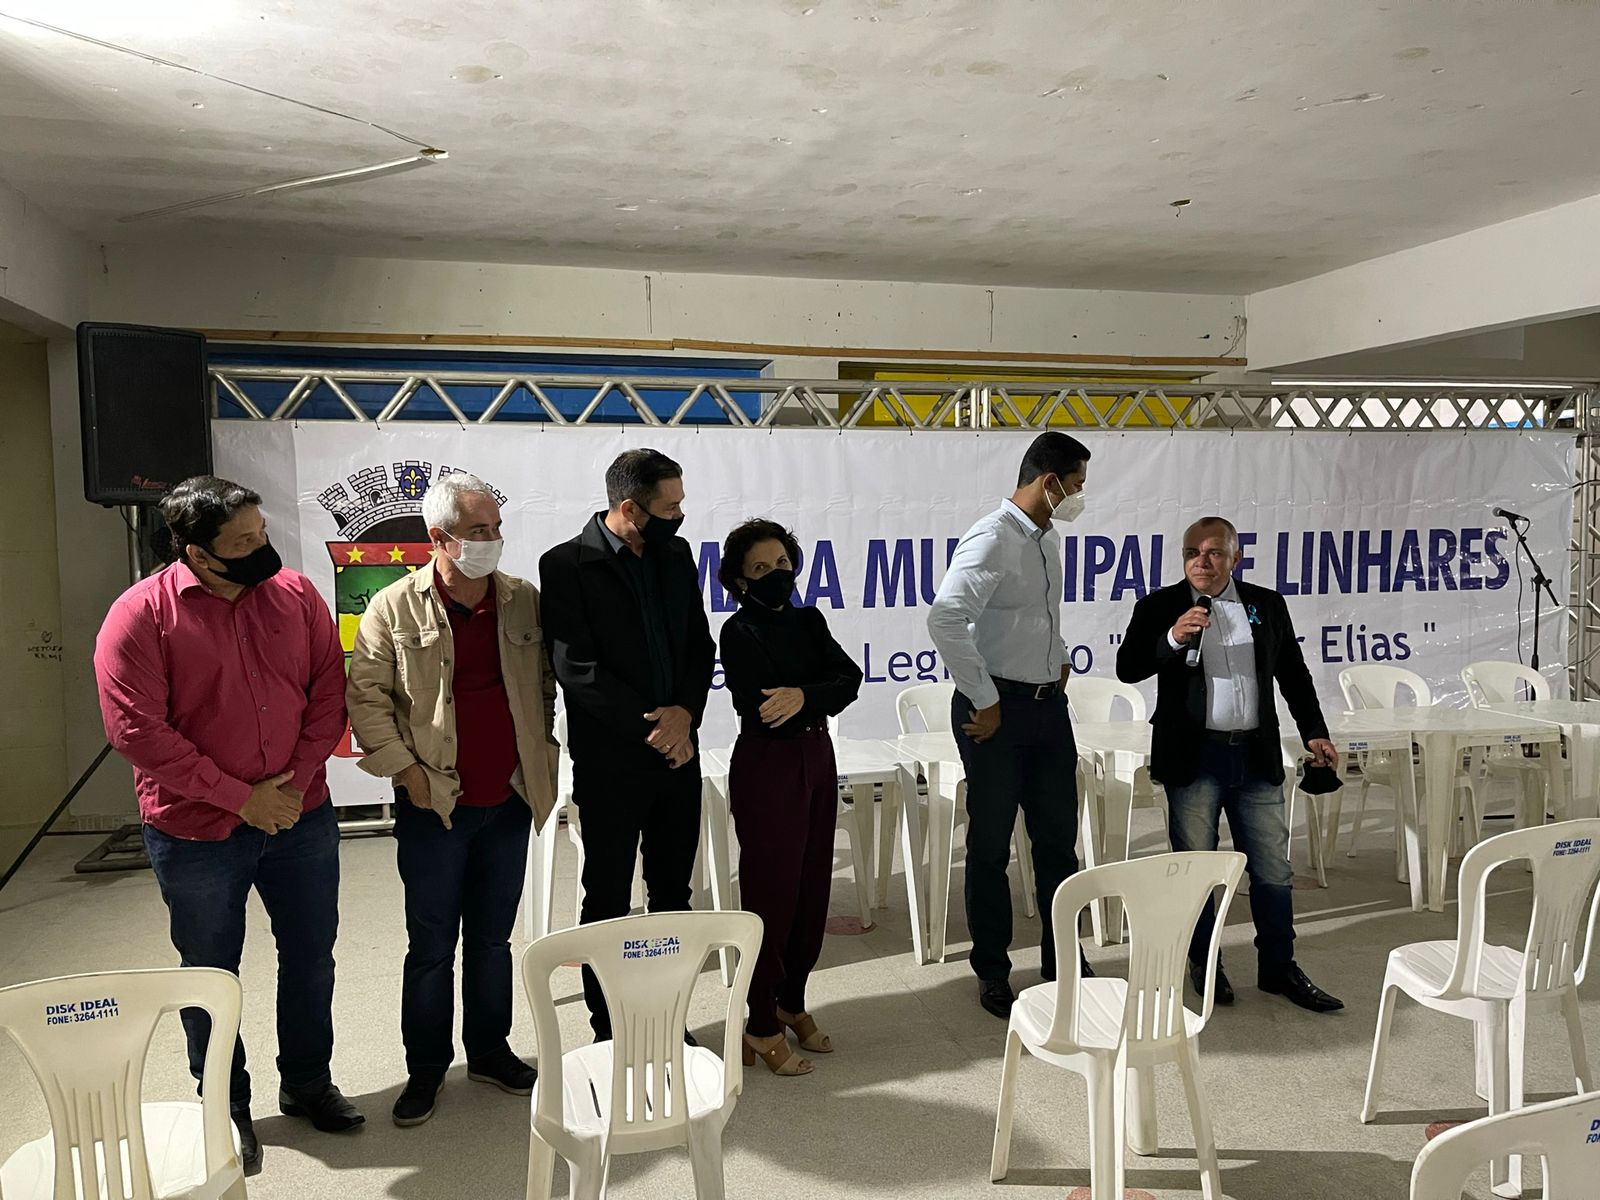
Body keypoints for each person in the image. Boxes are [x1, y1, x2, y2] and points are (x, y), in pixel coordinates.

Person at [93, 475, 359, 1177]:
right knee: (211, 973)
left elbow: (329, 693)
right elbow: (136, 731)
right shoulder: (139, 615)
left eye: (261, 533)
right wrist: (241, 799)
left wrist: (290, 788)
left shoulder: (296, 595)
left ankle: (308, 1083)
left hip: (300, 815)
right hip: (195, 831)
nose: (261, 549)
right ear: (195, 551)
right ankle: (224, 1104)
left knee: (311, 955)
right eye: (242, 543)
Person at [346, 472, 560, 1126]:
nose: (492, 539)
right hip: (432, 806)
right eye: (477, 530)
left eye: (496, 528)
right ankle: (426, 1068)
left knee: (493, 941)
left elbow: (543, 683)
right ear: (438, 538)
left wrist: (542, 749)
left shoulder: (523, 600)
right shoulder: (391, 608)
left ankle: (490, 1051)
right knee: (432, 945)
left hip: (509, 801)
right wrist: (407, 773)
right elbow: (366, 700)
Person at [1116, 515, 1344, 1013]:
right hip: (1192, 759)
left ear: (1236, 558)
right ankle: (1205, 963)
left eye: (1214, 552)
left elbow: (1293, 674)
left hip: (1255, 755)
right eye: (1192, 553)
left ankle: (1279, 966)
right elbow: (1128, 666)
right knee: (1196, 870)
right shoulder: (1159, 606)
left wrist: (1315, 731)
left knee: (1273, 868)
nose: (1202, 561)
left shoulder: (1267, 604)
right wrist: (1172, 638)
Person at [539, 448, 715, 1039]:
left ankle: (667, 1020)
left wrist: (685, 715)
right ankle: (609, 1028)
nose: (680, 515)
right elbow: (577, 668)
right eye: (670, 506)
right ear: (630, 508)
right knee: (608, 898)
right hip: (612, 762)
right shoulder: (567, 564)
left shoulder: (677, 555)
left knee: (673, 895)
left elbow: (699, 645)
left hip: (679, 755)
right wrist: (656, 729)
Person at [927, 431, 1092, 1019]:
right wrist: (984, 696)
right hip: (995, 711)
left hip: (1047, 707)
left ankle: (1062, 957)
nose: (1079, 497)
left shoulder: (1047, 539)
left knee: (1058, 843)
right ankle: (993, 970)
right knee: (991, 846)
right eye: (1075, 486)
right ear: (1048, 483)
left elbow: (1035, 618)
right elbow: (946, 619)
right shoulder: (994, 536)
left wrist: (1058, 657)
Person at [717, 519, 863, 1076]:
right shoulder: (738, 632)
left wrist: (805, 695)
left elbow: (848, 679)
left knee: (812, 891)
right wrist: (816, 693)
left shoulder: (810, 620)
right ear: (740, 581)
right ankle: (759, 1023)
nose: (776, 574)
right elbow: (764, 709)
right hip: (768, 765)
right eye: (760, 568)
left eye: (782, 563)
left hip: (817, 757)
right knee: (772, 897)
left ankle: (790, 1001)